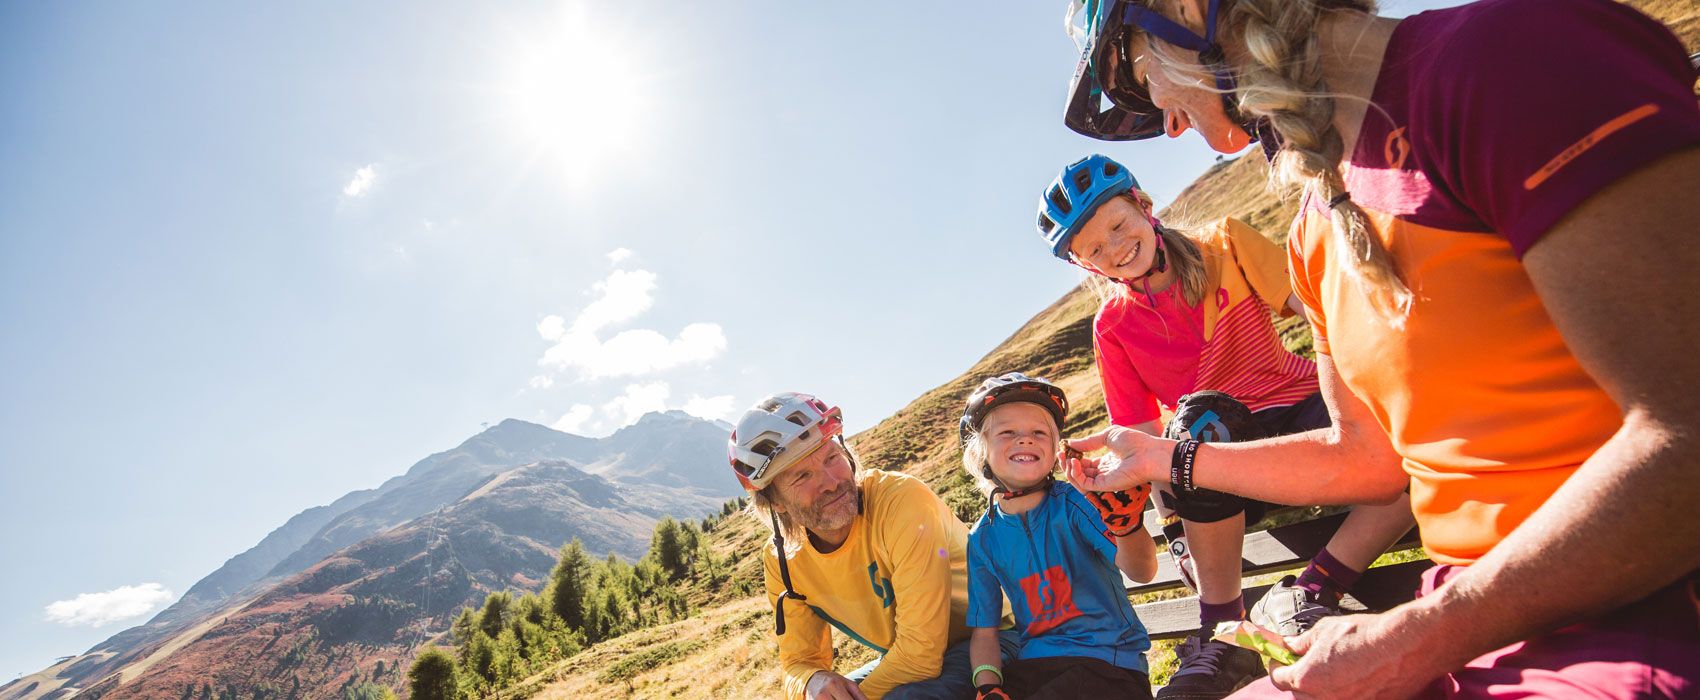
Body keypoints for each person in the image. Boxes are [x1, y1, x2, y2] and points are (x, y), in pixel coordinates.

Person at [1060, 0, 1700, 697]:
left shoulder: (1506, 57)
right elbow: (1367, 458)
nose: (1169, 120)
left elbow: (1687, 431)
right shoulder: (1314, 229)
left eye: (1141, 82)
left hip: (1633, 615)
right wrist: (1161, 459)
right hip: (1473, 616)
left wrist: (1419, 637)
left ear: (1185, 8)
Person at [1035, 153, 1416, 699]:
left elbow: (1319, 315)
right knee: (1199, 417)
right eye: (1095, 249)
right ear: (1085, 266)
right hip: (1218, 461)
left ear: (1144, 206)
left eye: (1118, 226)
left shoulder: (1226, 241)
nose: (1115, 248)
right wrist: (1174, 532)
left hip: (1303, 411)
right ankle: (1223, 629)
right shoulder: (1113, 325)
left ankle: (1314, 587)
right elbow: (1142, 440)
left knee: (1409, 425)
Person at [731, 392, 1019, 700]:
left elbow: (922, 655)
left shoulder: (901, 501)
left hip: (990, 639)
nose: (831, 482)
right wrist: (812, 681)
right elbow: (798, 662)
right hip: (903, 658)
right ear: (774, 501)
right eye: (802, 476)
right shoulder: (782, 560)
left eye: (831, 457)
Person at [957, 372, 1160, 700]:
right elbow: (984, 631)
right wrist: (988, 686)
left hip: (1108, 662)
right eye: (1008, 432)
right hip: (1036, 665)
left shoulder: (1076, 502)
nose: (1026, 439)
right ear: (981, 455)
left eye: (1039, 432)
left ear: (1054, 448)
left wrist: (1127, 526)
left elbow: (1143, 570)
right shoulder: (983, 538)